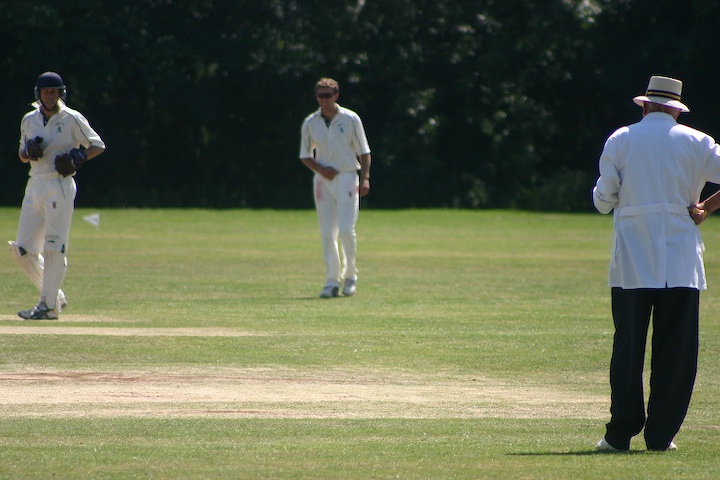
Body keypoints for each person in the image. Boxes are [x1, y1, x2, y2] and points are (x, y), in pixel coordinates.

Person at [592, 75, 720, 452]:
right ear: (676, 110)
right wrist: (707, 207)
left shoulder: (622, 138)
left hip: (633, 258)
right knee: (677, 350)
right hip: (681, 259)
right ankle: (662, 435)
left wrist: (604, 195)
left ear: (646, 105)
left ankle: (620, 434)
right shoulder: (699, 141)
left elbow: (604, 200)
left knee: (628, 346)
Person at [8, 71, 106, 320]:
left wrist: (79, 157)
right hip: (35, 185)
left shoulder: (71, 118)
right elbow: (21, 155)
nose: (50, 96)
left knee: (54, 246)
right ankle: (55, 296)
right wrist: (29, 151)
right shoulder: (29, 119)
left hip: (59, 185)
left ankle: (48, 306)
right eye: (46, 92)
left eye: (54, 92)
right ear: (39, 94)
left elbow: (97, 145)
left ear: (61, 94)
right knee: (22, 249)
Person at [299, 78, 371, 298]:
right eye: (320, 95)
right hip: (322, 180)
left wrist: (365, 178)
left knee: (346, 229)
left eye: (328, 95)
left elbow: (364, 151)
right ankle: (332, 281)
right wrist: (321, 170)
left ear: (336, 96)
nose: (324, 100)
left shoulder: (350, 119)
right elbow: (305, 155)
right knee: (327, 233)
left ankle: (350, 276)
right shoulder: (311, 122)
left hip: (347, 177)